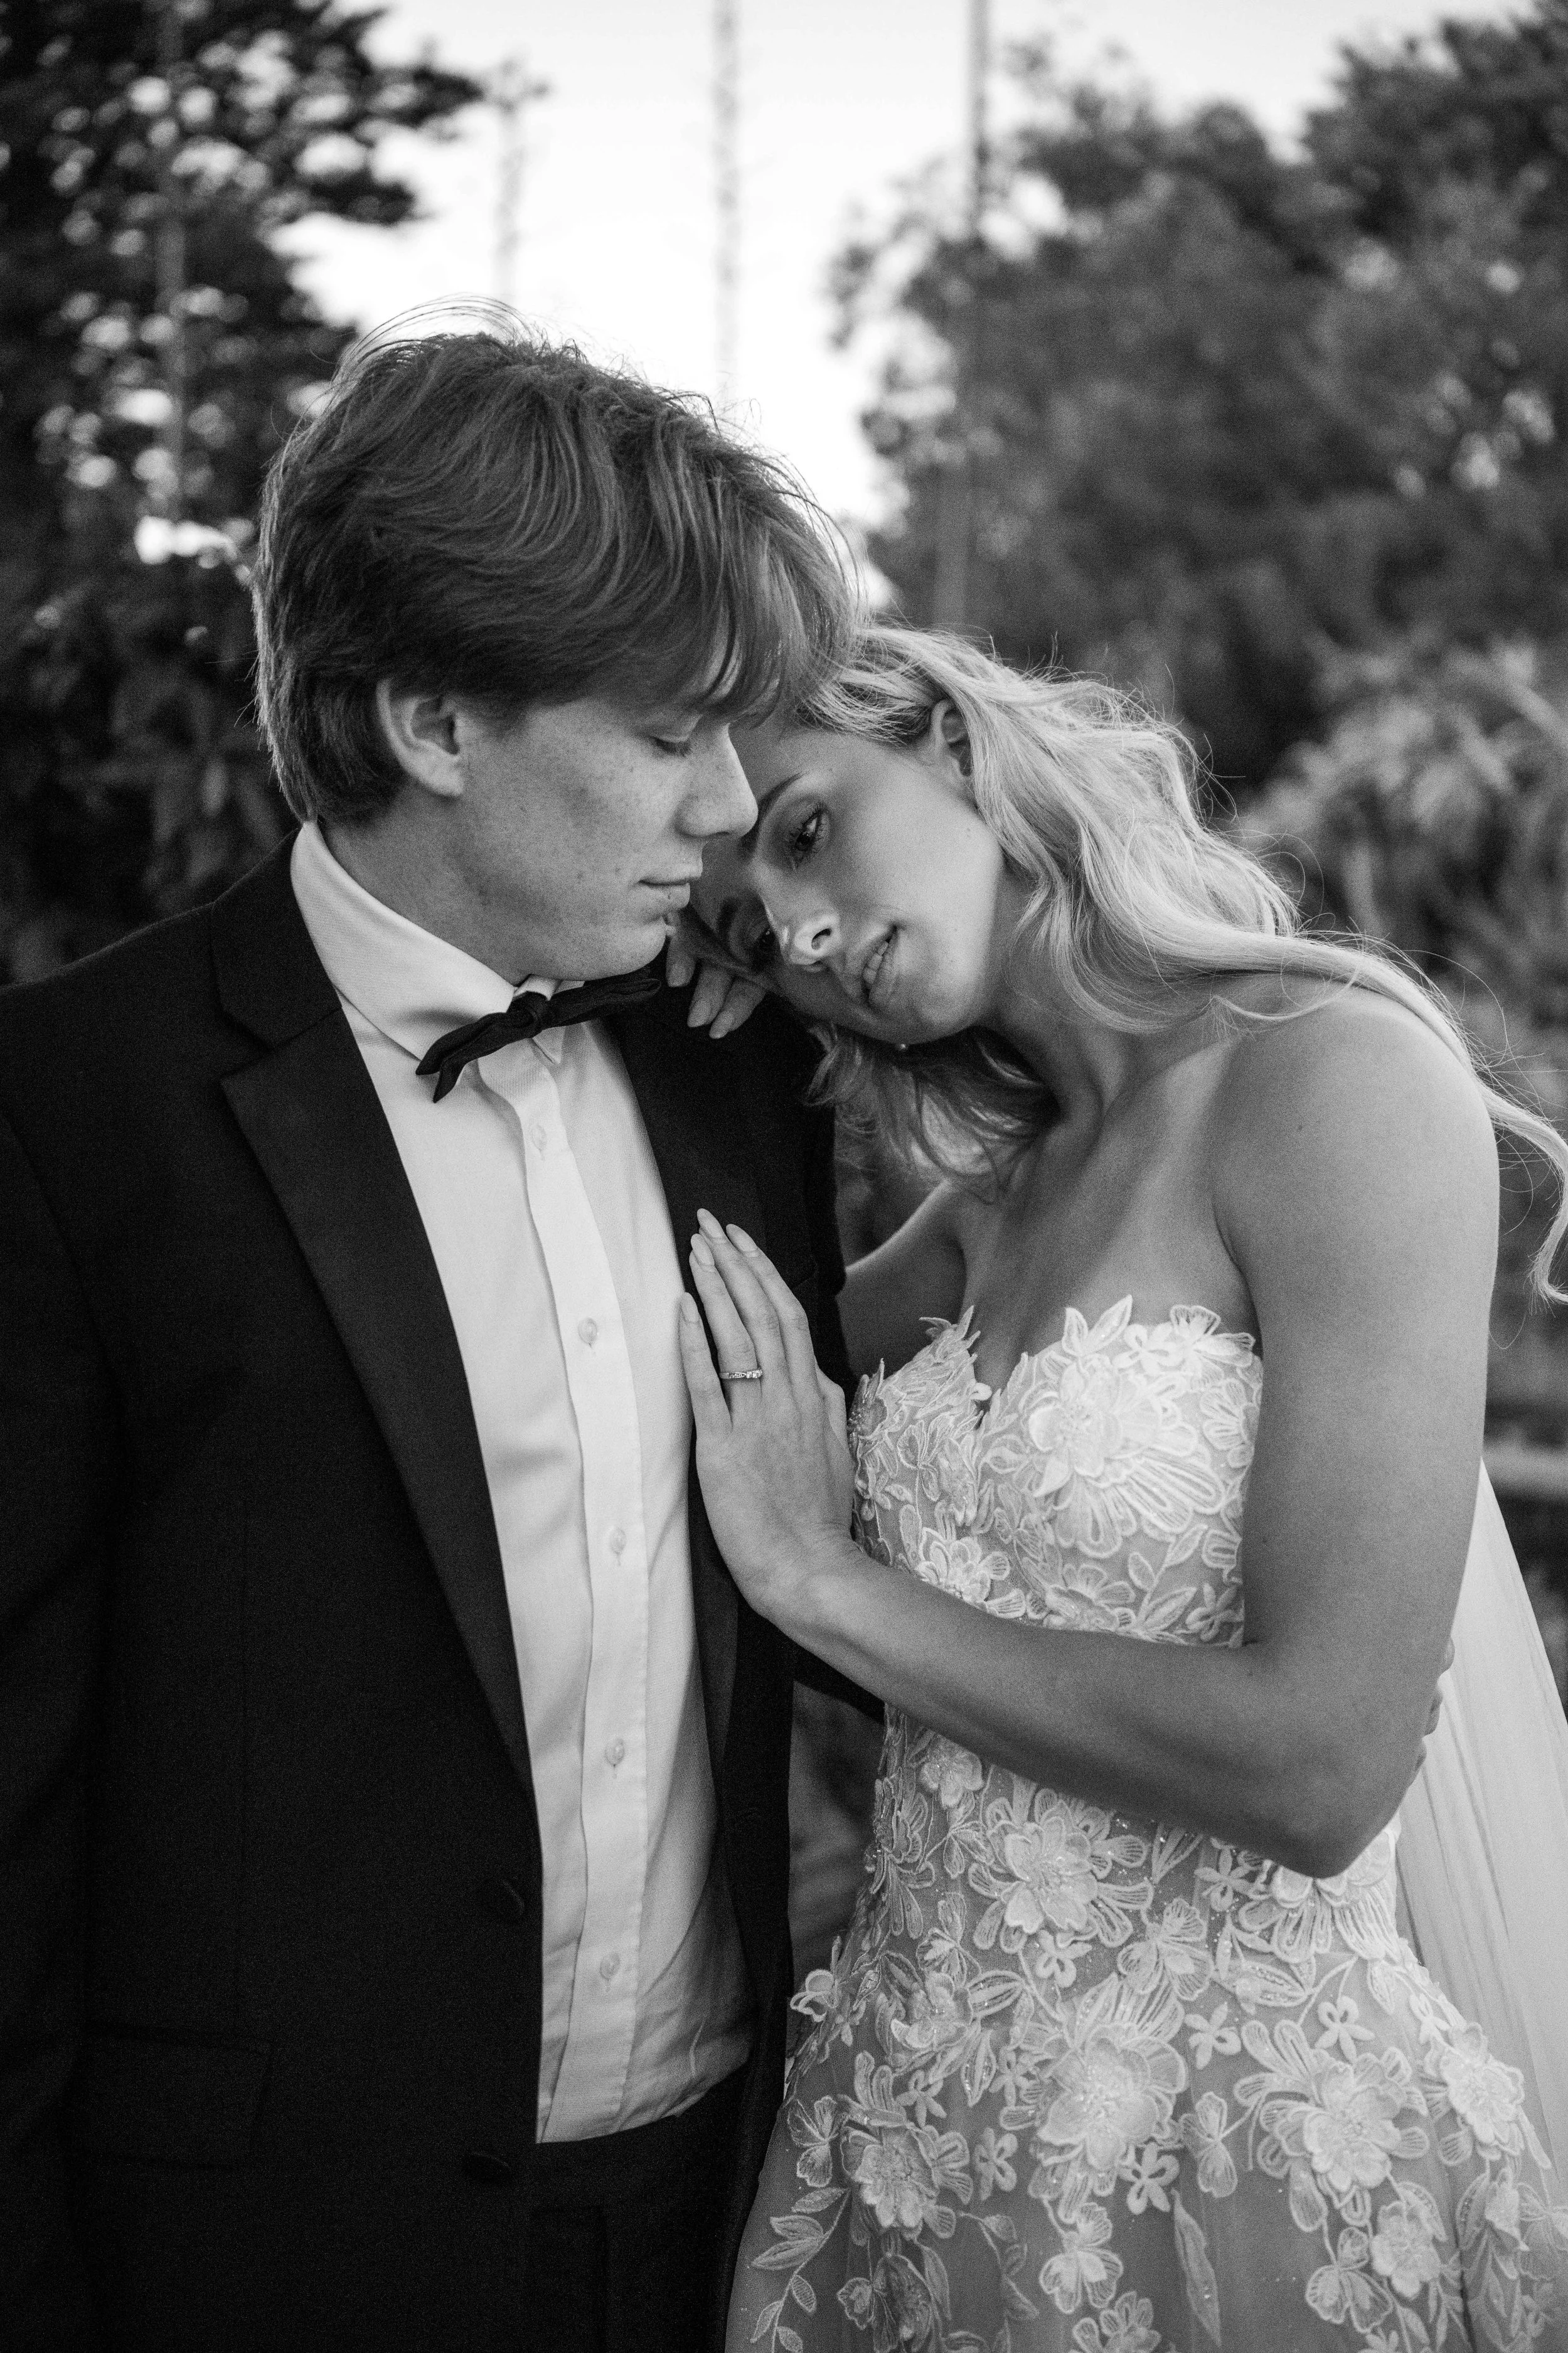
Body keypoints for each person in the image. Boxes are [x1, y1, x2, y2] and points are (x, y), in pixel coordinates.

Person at [0, 322, 862, 2353]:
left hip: (710, 2209)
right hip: (252, 2254)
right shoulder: (68, 1116)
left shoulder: (750, 1063)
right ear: (430, 718)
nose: (729, 803)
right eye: (667, 735)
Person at [675, 625, 1568, 2350]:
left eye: (800, 830)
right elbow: (693, 1399)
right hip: (914, 2146)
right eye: (741, 937)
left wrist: (834, 1587)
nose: (794, 932)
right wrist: (687, 1043)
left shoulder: (1327, 1081)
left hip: (1244, 2173)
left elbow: (1322, 1762)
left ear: (945, 741)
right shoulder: (985, 1210)